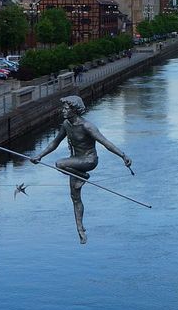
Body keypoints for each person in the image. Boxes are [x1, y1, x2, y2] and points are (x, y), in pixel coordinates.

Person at [32, 95, 131, 243]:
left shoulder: (87, 126)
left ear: (74, 110)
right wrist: (40, 155)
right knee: (75, 197)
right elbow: (55, 143)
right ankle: (80, 229)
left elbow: (105, 142)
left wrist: (123, 156)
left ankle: (83, 176)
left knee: (59, 164)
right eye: (63, 108)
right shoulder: (66, 124)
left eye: (66, 108)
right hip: (74, 163)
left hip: (88, 161)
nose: (63, 111)